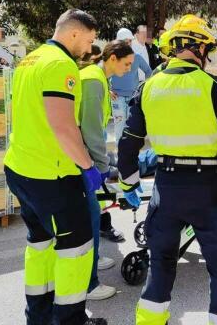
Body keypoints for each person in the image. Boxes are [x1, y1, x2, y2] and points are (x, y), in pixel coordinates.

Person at [116, 14, 217, 325]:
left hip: (165, 188)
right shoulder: (215, 87)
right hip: (207, 187)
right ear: (201, 50)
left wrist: (128, 182)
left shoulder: (149, 86)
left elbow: (128, 143)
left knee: (161, 265)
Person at [3, 9, 107, 325]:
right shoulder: (62, 65)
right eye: (89, 40)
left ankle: (39, 317)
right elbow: (63, 126)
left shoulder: (30, 60)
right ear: (75, 33)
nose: (89, 49)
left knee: (41, 243)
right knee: (76, 249)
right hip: (53, 176)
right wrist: (88, 167)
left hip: (21, 169)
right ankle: (71, 319)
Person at [79, 41, 134, 301]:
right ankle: (89, 285)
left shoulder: (99, 78)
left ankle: (94, 259)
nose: (129, 68)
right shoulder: (93, 80)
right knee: (90, 217)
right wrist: (100, 166)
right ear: (112, 58)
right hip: (83, 161)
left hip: (88, 157)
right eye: (127, 64)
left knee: (93, 215)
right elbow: (90, 129)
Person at [110, 28, 152, 142]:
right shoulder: (112, 58)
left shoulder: (137, 57)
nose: (127, 44)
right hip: (117, 98)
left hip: (133, 98)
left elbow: (149, 72)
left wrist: (144, 87)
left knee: (131, 128)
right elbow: (103, 74)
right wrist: (108, 90)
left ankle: (129, 154)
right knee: (119, 126)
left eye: (129, 41)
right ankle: (120, 156)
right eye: (125, 41)